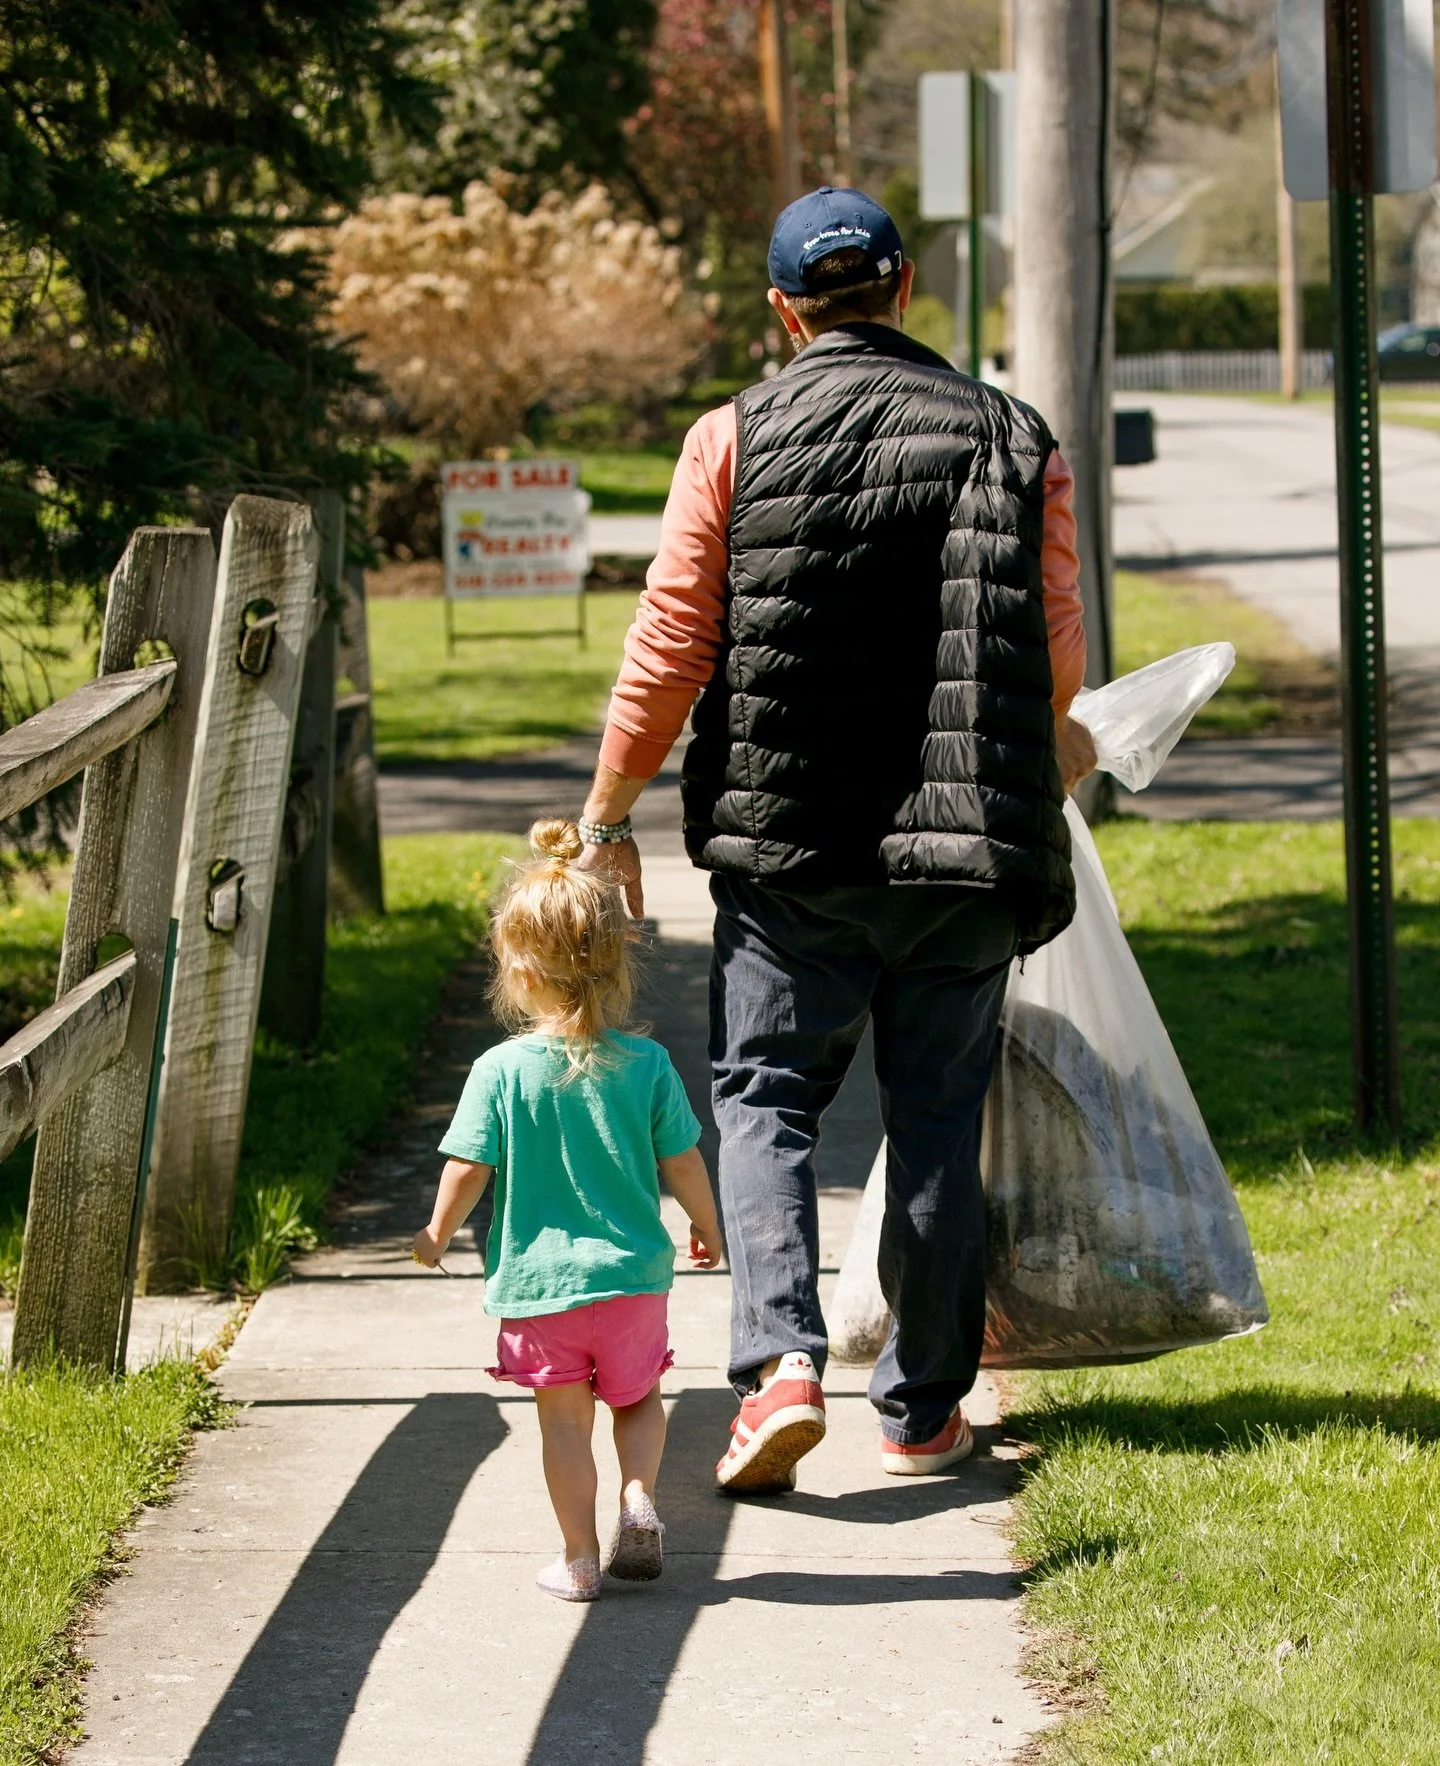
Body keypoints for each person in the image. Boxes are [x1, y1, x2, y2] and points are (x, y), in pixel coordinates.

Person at [576, 186, 1099, 1496]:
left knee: (766, 1094)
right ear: (907, 288)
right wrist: (1058, 742)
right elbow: (1058, 649)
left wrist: (603, 815)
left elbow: (669, 650)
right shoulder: (1013, 435)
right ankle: (921, 1414)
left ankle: (780, 1369)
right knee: (935, 1114)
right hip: (966, 845)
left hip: (790, 852)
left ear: (784, 308)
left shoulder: (731, 437)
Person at [412, 819, 722, 1601]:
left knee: (562, 1426)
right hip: (631, 1281)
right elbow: (681, 1159)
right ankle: (638, 1493)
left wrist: (434, 1233)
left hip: (543, 1286)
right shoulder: (646, 1064)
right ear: (615, 960)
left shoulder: (499, 1070)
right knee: (639, 1397)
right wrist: (707, 1226)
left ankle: (580, 1561)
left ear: (517, 969)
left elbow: (468, 1167)